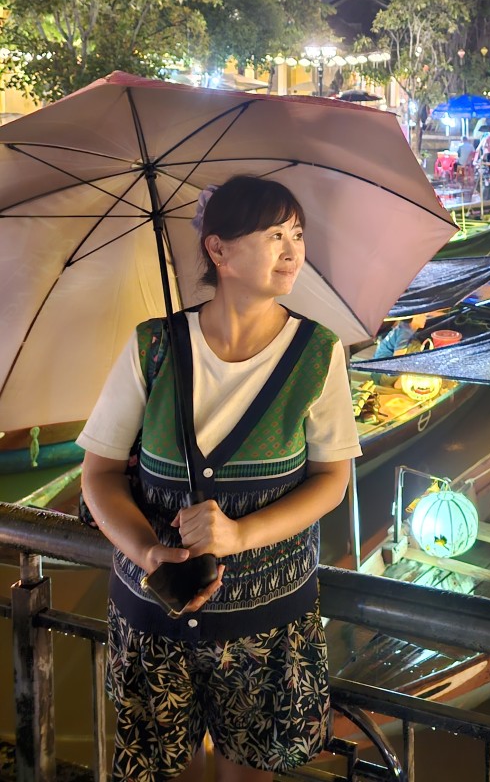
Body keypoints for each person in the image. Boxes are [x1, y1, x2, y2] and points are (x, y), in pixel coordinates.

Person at [79, 176, 361, 781]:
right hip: (154, 617)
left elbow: (332, 479)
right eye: (272, 235)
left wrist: (239, 534)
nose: (292, 251)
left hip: (266, 627)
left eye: (297, 235)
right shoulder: (154, 347)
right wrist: (147, 550)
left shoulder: (317, 353)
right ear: (218, 250)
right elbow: (98, 474)